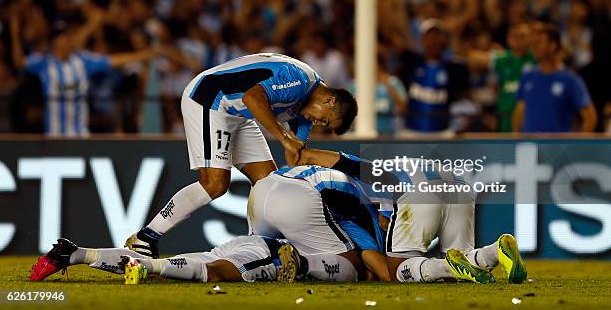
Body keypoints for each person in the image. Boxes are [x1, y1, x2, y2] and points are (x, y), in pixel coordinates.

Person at [126, 53, 357, 258]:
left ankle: (260, 248)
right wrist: (285, 138)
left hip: (237, 112)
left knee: (268, 184)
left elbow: (295, 158)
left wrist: (325, 171)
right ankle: (145, 238)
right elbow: (252, 98)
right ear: (329, 100)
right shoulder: (298, 79)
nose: (318, 124)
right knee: (215, 184)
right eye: (324, 119)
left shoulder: (306, 111)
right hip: (209, 99)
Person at [296, 149, 528, 284]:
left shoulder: (354, 186)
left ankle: (447, 267)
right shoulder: (391, 168)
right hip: (460, 185)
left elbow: (384, 222)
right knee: (465, 258)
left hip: (417, 189)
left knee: (399, 269)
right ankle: (497, 250)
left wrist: (305, 154)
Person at [10, 13, 158, 136]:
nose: (69, 40)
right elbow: (19, 62)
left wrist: (143, 55)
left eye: (69, 36)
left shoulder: (82, 61)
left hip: (80, 134)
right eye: (64, 37)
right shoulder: (44, 63)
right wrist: (14, 34)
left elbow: (113, 61)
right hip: (54, 134)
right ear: (55, 42)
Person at [248, 163, 390, 282]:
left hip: (261, 190)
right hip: (298, 194)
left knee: (255, 254)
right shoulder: (371, 224)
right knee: (353, 268)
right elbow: (383, 272)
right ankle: (301, 265)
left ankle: (232, 267)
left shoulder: (352, 208)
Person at [30, 236, 302, 283]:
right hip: (269, 250)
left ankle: (76, 253)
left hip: (248, 242)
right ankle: (142, 264)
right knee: (213, 273)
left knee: (165, 271)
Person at [512, 24, 597, 133]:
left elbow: (590, 118)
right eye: (534, 43)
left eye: (539, 42)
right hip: (530, 147)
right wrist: (517, 141)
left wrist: (577, 147)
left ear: (552, 46)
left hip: (558, 148)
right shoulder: (528, 76)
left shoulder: (571, 79)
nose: (534, 47)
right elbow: (518, 113)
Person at [398, 19, 469, 134]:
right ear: (422, 40)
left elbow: (462, 95)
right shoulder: (411, 62)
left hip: (442, 132)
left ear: (444, 41)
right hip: (411, 132)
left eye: (437, 37)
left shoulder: (453, 68)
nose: (434, 41)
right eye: (430, 36)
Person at [467, 22, 536, 132]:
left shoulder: (536, 59)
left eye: (522, 36)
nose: (518, 41)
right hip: (505, 116)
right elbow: (472, 57)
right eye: (515, 37)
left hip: (529, 117)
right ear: (508, 39)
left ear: (531, 38)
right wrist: (492, 50)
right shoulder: (504, 58)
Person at [347, 56, 407, 135]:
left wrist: (388, 87)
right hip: (360, 134)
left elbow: (404, 108)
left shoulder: (393, 82)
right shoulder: (353, 85)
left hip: (388, 134)